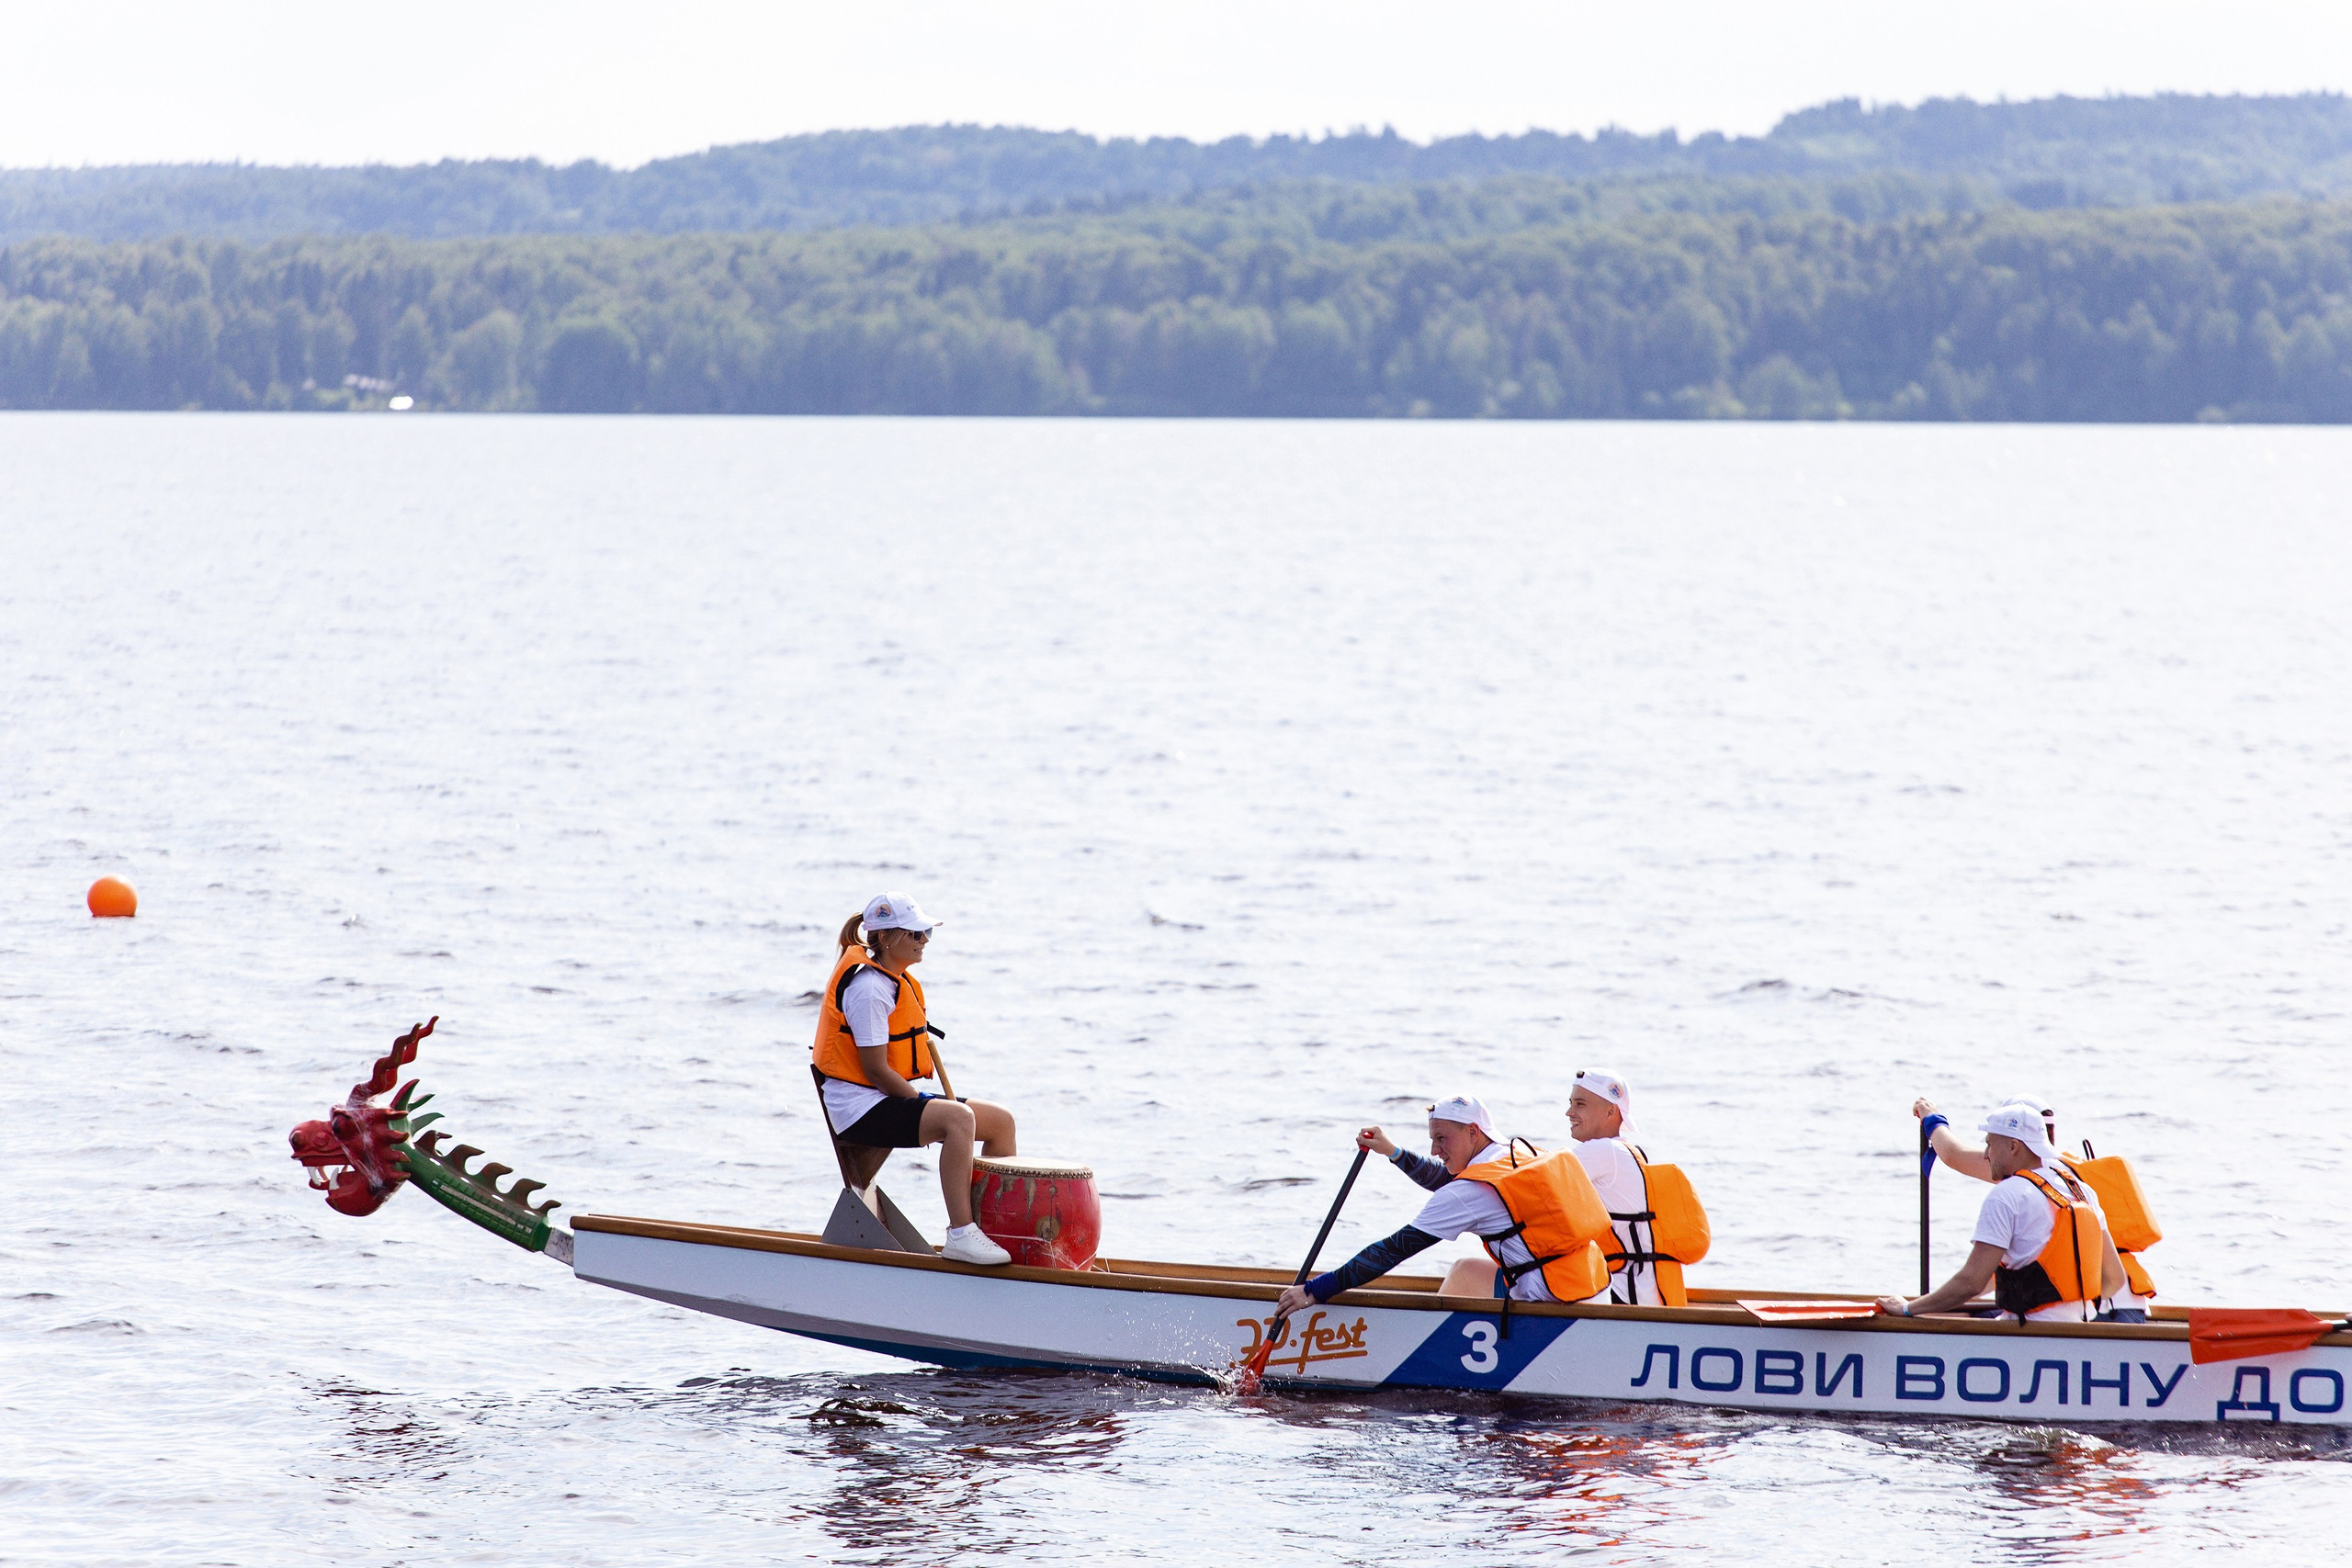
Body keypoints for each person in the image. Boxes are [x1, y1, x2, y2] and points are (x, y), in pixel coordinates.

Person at [810, 892, 1018, 1266]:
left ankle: (993, 1231)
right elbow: (875, 1070)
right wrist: (924, 1104)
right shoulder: (869, 989)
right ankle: (961, 1235)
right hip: (859, 1108)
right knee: (958, 1119)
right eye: (916, 934)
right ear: (888, 938)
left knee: (1001, 1122)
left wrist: (923, 1103)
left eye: (926, 933)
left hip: (882, 1096)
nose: (924, 941)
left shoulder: (894, 980)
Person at [1272, 1096, 1612, 1319]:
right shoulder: (1515, 1153)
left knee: (1455, 1274)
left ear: (1473, 1132)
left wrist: (1315, 1291)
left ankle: (1432, 1341)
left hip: (1555, 1305)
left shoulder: (1470, 1191)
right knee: (1465, 1269)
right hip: (1594, 1286)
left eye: (1441, 1139)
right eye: (1432, 1139)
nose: (1435, 1149)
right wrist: (1393, 1152)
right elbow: (1448, 1180)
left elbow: (1392, 1250)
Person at [1876, 1103, 2129, 1324]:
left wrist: (1907, 1309)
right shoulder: (2082, 1190)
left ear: (2013, 1146)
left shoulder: (2008, 1195)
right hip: (2075, 1329)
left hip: (2024, 1333)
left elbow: (1971, 1282)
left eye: (1989, 1144)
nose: (1985, 1154)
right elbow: (2114, 1279)